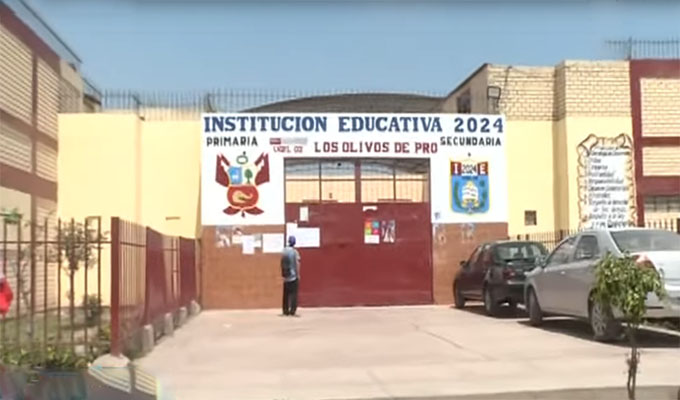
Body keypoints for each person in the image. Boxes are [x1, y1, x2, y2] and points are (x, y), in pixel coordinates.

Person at [281, 235, 300, 317]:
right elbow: (297, 264)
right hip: (293, 276)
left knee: (286, 294)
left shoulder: (284, 251)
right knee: (293, 294)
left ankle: (285, 310)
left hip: (286, 276)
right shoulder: (294, 252)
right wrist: (298, 274)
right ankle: (292, 311)